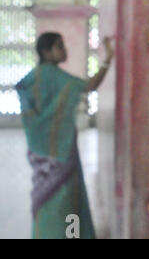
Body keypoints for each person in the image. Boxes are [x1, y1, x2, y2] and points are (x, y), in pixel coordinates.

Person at [14, 32, 114, 239]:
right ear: (46, 52)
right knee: (65, 199)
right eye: (59, 46)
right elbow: (90, 86)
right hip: (61, 153)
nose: (65, 50)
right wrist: (108, 58)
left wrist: (40, 131)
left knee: (46, 201)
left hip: (40, 154)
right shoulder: (54, 75)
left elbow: (25, 99)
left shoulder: (34, 77)